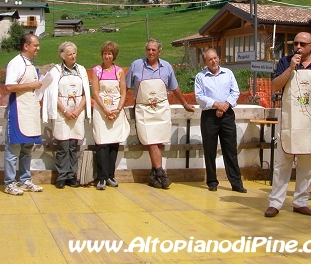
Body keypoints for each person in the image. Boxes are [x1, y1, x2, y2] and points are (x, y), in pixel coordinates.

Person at [264, 32, 311, 218]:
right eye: (296, 43)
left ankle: (301, 201)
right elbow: (275, 86)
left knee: (307, 164)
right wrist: (290, 69)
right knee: (282, 165)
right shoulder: (285, 62)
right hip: (290, 122)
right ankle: (275, 203)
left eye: (303, 44)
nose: (298, 47)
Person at [126, 38, 194, 189]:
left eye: (153, 50)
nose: (150, 52)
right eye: (148, 49)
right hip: (144, 109)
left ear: (159, 52)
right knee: (151, 140)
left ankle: (154, 177)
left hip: (161, 109)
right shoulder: (136, 65)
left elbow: (174, 87)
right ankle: (161, 172)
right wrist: (119, 105)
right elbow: (125, 86)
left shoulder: (167, 67)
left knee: (159, 140)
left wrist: (184, 103)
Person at [194, 48, 246, 193]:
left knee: (230, 149)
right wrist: (216, 104)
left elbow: (235, 91)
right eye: (210, 59)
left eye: (215, 58)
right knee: (209, 149)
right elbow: (199, 96)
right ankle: (212, 181)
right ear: (205, 62)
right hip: (209, 116)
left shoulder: (228, 73)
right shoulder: (200, 77)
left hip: (227, 114)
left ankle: (236, 182)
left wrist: (225, 105)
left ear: (219, 58)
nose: (214, 61)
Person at [43, 41, 91, 189]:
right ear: (62, 56)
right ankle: (62, 175)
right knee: (63, 145)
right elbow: (52, 94)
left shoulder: (81, 70)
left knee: (73, 145)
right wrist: (64, 110)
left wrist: (77, 110)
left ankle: (72, 175)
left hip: (77, 113)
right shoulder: (56, 71)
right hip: (62, 113)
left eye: (74, 53)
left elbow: (85, 94)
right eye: (69, 54)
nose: (72, 56)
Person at [3, 33, 45, 195]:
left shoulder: (30, 64)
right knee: (13, 149)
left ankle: (25, 179)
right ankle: (9, 182)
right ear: (26, 46)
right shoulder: (16, 63)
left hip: (30, 110)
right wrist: (32, 85)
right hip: (18, 110)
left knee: (27, 148)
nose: (38, 48)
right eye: (35, 45)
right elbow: (9, 87)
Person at [91, 41, 129, 190]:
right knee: (101, 143)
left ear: (114, 55)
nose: (107, 56)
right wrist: (105, 110)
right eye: (105, 53)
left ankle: (110, 176)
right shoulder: (96, 70)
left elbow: (123, 92)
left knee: (114, 143)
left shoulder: (119, 71)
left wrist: (118, 109)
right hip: (101, 112)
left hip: (116, 111)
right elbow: (95, 92)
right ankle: (101, 177)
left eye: (110, 53)